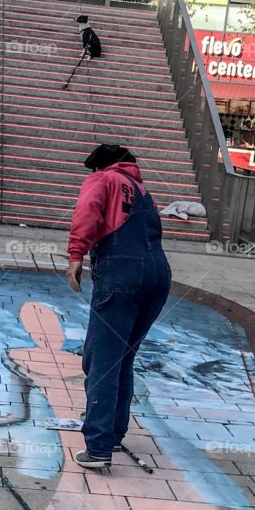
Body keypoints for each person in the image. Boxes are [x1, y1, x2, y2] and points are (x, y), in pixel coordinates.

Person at [65, 143, 172, 469]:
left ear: (102, 166)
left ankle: (97, 446)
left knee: (102, 360)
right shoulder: (143, 191)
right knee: (124, 357)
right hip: (158, 276)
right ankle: (112, 431)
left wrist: (75, 255)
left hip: (122, 274)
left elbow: (87, 212)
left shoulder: (104, 180)